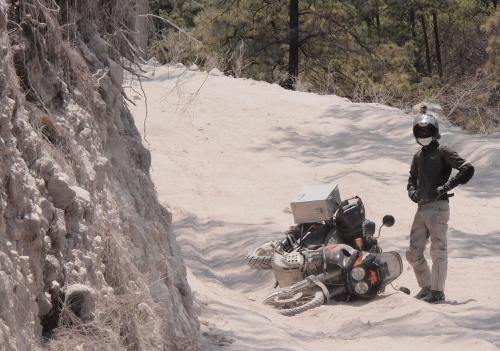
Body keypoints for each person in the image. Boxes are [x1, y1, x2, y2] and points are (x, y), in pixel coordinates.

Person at [406, 106, 474, 303]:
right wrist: (412, 192)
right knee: (413, 251)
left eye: (427, 130)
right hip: (422, 208)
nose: (424, 133)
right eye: (420, 131)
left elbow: (467, 168)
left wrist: (447, 186)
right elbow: (411, 178)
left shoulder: (443, 151)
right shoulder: (418, 156)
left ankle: (438, 291)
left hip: (438, 207)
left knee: (438, 249)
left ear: (435, 131)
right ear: (416, 133)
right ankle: (427, 287)